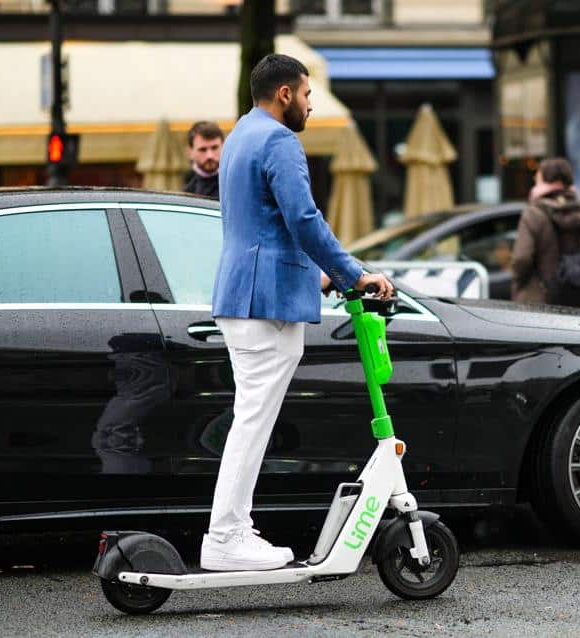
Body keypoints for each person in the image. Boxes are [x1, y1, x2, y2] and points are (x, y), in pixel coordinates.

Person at [202, 54, 394, 572]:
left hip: (244, 294)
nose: (310, 105)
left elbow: (264, 226)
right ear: (285, 94)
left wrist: (319, 277)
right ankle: (225, 536)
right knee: (252, 423)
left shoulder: (241, 133)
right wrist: (355, 273)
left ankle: (232, 531)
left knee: (251, 420)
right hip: (264, 305)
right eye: (307, 95)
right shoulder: (280, 141)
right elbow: (303, 220)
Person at [511, 157, 580, 307]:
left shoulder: (534, 214)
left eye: (537, 175)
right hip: (576, 301)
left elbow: (522, 258)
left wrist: (518, 286)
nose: (534, 177)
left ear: (544, 180)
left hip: (537, 301)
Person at [184, 121, 225, 197]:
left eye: (214, 148)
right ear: (190, 152)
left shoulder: (234, 183)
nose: (210, 156)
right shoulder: (187, 192)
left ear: (224, 147)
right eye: (202, 149)